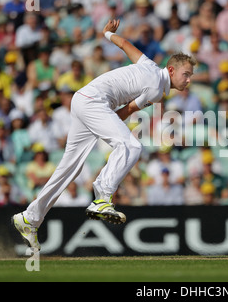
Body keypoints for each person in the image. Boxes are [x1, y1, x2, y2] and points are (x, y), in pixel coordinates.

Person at [12, 19, 196, 250]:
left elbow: (126, 48)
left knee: (70, 168)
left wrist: (107, 34)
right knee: (132, 146)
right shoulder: (156, 88)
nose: (189, 80)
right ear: (171, 70)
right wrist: (107, 127)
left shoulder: (150, 67)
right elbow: (127, 110)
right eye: (186, 74)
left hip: (84, 101)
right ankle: (102, 197)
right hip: (93, 102)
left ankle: (29, 218)